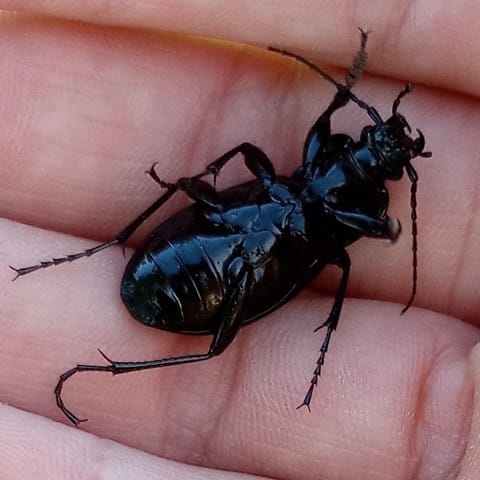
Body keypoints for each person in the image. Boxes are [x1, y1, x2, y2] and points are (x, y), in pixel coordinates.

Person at [0, 2, 478, 479]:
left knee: (218, 347)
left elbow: (358, 235)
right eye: (374, 137)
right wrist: (345, 89)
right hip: (195, 247)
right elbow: (320, 137)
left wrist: (389, 230)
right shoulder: (326, 169)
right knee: (194, 183)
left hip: (235, 263)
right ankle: (110, 243)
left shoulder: (357, 212)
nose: (371, 150)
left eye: (385, 158)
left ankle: (106, 370)